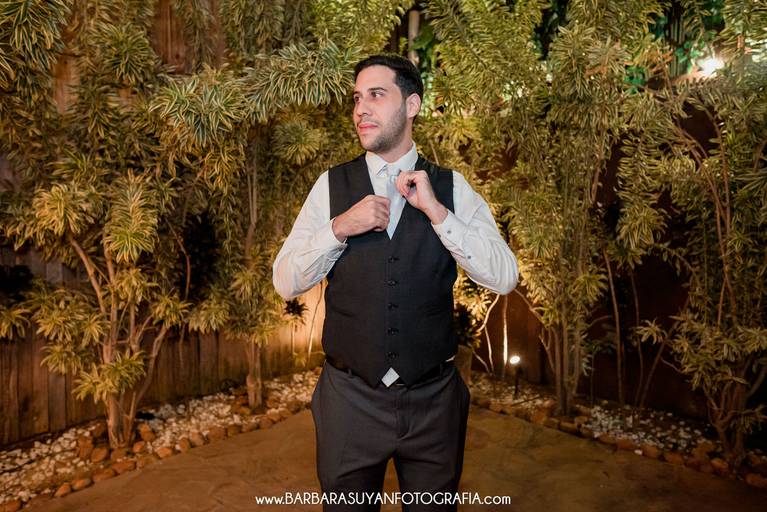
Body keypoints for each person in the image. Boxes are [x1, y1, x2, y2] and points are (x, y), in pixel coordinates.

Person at [272, 54, 518, 511]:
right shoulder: (330, 187)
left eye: (376, 95)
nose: (360, 109)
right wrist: (339, 227)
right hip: (349, 402)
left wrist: (438, 213)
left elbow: (504, 276)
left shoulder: (451, 188)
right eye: (356, 98)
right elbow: (285, 281)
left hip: (433, 403)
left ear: (412, 105)